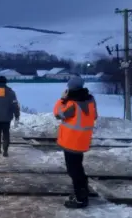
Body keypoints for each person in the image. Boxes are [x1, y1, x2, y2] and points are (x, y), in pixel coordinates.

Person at [53, 75, 97, 209]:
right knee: (78, 168)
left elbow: (57, 114)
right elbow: (94, 116)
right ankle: (83, 191)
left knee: (74, 170)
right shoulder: (90, 100)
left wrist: (62, 99)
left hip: (71, 141)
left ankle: (80, 199)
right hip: (83, 140)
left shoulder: (72, 103)